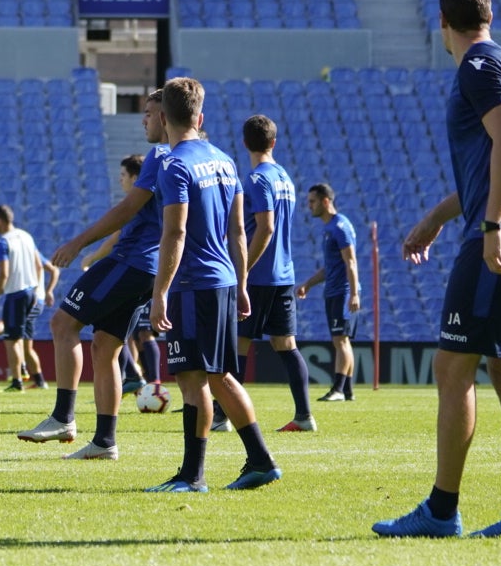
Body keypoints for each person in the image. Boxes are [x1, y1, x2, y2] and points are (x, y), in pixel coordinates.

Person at [375, 0, 501, 540]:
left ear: (441, 23)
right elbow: (496, 159)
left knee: (453, 366)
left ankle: (441, 509)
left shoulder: (476, 67)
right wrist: (437, 216)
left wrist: (490, 225)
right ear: (490, 15)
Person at [146, 76, 281, 494]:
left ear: (164, 118)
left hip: (192, 283)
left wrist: (160, 292)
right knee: (221, 375)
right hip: (223, 279)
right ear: (200, 116)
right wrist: (241, 283)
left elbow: (175, 233)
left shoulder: (174, 165)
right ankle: (260, 460)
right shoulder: (224, 160)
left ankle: (193, 475)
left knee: (193, 380)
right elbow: (239, 230)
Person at [22, 91, 169, 460]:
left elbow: (126, 211)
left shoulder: (161, 157)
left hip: (130, 262)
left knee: (62, 324)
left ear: (166, 117)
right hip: (148, 269)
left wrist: (78, 243)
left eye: (149, 113)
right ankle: (105, 441)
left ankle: (63, 417)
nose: (143, 120)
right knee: (105, 347)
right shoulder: (196, 158)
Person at [235, 114, 315, 433]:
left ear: (245, 144)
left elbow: (265, 228)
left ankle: (226, 417)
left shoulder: (256, 180)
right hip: (284, 274)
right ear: (273, 143)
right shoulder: (284, 177)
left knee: (239, 343)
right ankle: (304, 416)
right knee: (285, 344)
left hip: (257, 277)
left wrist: (243, 271)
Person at [80, 153, 171, 412]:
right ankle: (131, 379)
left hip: (139, 269)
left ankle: (148, 380)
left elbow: (118, 235)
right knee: (117, 336)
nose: (120, 180)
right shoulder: (139, 202)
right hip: (144, 271)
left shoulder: (142, 203)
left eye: (123, 176)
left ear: (136, 177)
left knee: (138, 333)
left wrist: (90, 254)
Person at [0, 205, 57, 393]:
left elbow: (4, 274)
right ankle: (39, 380)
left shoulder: (3, 242)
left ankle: (17, 381)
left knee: (12, 340)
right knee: (25, 341)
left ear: (0, 221)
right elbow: (38, 265)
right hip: (31, 293)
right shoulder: (26, 237)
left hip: (16, 295)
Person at [296, 183, 359, 402]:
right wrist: (308, 284)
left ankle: (339, 389)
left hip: (342, 291)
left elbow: (350, 262)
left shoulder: (340, 227)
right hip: (333, 291)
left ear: (325, 201)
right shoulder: (329, 228)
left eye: (312, 201)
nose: (309, 206)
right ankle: (348, 390)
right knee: (341, 341)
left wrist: (353, 293)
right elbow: (330, 267)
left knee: (340, 340)